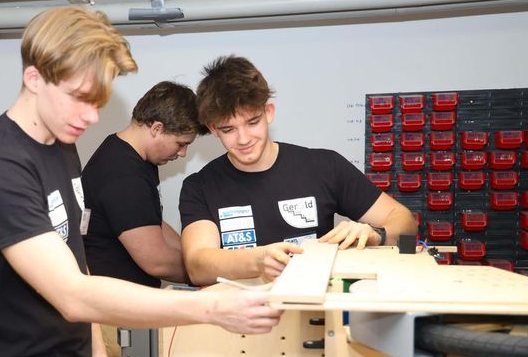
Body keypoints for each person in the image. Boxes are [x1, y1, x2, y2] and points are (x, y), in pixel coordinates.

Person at [0, 7, 283, 357]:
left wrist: (95, 352)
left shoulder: (61, 147)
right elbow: (72, 293)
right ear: (34, 79)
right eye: (80, 99)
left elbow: (77, 257)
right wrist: (209, 307)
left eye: (99, 103)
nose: (91, 117)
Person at [179, 55, 418, 286]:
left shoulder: (324, 167)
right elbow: (197, 264)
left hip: (314, 314)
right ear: (214, 129)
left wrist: (376, 233)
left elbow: (405, 222)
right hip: (240, 318)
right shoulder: (200, 186)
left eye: (252, 122)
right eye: (228, 129)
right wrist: (258, 260)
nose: (243, 139)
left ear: (268, 112)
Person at [81, 81, 207, 357]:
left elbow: (154, 224)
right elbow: (155, 260)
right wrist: (208, 271)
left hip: (124, 314)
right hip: (117, 324)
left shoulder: (133, 158)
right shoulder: (123, 174)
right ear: (156, 127)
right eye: (180, 143)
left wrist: (197, 252)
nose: (183, 153)